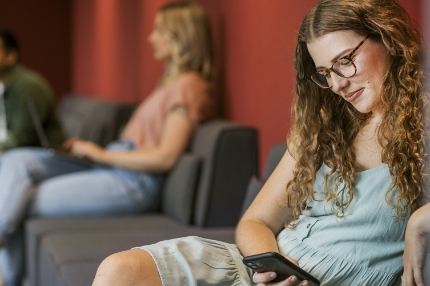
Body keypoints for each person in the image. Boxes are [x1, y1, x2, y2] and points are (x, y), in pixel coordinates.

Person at [92, 0, 429, 285]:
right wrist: (273, 270)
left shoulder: (423, 124)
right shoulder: (325, 127)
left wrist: (418, 222)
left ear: (387, 37)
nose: (338, 84)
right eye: (326, 72)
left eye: (344, 60)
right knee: (117, 271)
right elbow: (256, 222)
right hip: (265, 271)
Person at [0, 2, 216, 286]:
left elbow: (165, 157)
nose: (151, 37)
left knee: (20, 196)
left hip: (134, 182)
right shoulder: (170, 84)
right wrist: (96, 154)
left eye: (160, 30)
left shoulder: (190, 87)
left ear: (180, 37)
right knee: (15, 160)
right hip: (115, 167)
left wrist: (99, 153)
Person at [0, 29, 66, 152]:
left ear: (11, 57)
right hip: (23, 152)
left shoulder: (28, 86)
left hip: (48, 154)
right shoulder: (5, 86)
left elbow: (22, 138)